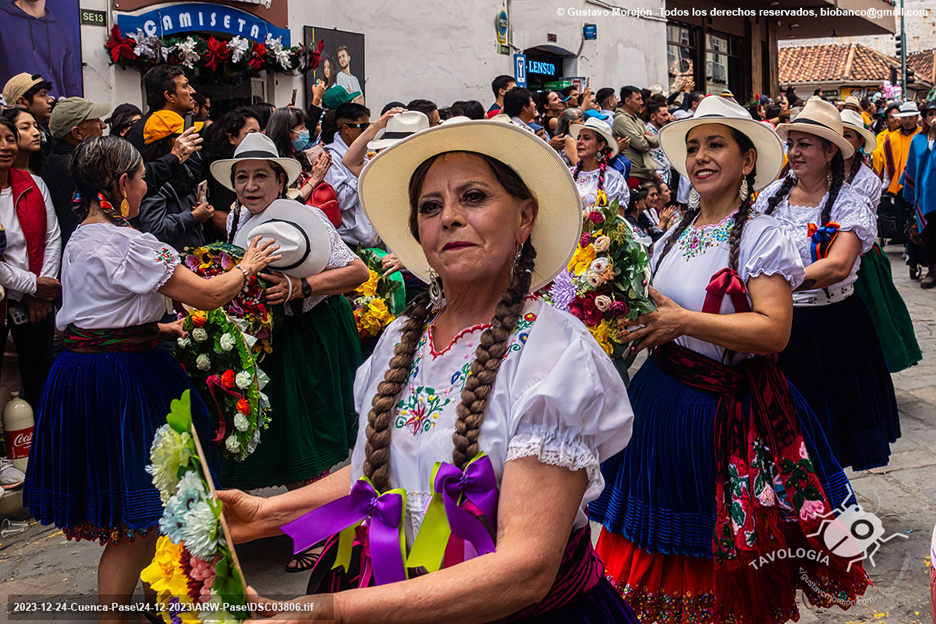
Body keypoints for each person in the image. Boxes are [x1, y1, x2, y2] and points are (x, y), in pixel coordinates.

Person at [217, 118, 640, 622]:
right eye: (431, 207)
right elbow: (384, 473)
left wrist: (332, 611)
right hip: (400, 600)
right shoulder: (399, 339)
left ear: (525, 216)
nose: (450, 218)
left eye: (475, 197)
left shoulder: (554, 355)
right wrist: (266, 515)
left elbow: (527, 567)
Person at [591, 95, 870, 624]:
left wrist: (683, 323)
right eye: (693, 146)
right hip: (662, 407)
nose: (700, 156)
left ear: (747, 162)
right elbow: (663, 310)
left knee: (714, 554)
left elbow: (773, 332)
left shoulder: (765, 236)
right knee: (653, 545)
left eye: (715, 144)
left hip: (724, 415)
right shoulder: (673, 233)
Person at [23, 135, 281, 622]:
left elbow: (98, 309)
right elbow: (207, 294)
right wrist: (247, 267)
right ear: (122, 183)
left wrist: (160, 327)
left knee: (146, 507)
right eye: (142, 178)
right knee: (141, 514)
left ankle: (159, 602)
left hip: (84, 371)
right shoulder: (130, 243)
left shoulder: (82, 236)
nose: (144, 186)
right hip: (125, 380)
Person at [213, 133, 367, 571]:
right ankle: (298, 519)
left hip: (311, 330)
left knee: (310, 430)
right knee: (279, 425)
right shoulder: (236, 220)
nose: (250, 185)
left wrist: (300, 287)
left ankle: (319, 531)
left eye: (260, 176)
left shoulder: (307, 217)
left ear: (280, 181)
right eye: (242, 177)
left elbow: (356, 270)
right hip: (269, 335)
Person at [756, 98, 900, 471]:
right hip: (777, 326)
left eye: (805, 144)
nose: (795, 153)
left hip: (831, 327)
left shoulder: (849, 203)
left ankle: (829, 513)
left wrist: (776, 284)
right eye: (792, 144)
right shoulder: (770, 198)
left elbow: (837, 266)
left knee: (826, 431)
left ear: (830, 150)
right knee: (776, 436)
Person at [839, 108, 922, 372]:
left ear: (860, 142)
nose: (842, 142)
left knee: (873, 317)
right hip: (829, 254)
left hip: (863, 259)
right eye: (837, 136)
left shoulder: (866, 180)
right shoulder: (821, 174)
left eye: (848, 136)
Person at [0, 115, 60, 408]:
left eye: (10, 139)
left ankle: (42, 448)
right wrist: (32, 285)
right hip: (11, 295)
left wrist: (40, 293)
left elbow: (52, 237)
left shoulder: (34, 184)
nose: (5, 146)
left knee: (39, 377)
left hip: (36, 302)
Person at [134, 111, 211, 252]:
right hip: (170, 264)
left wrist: (200, 211)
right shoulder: (153, 180)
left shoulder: (184, 169)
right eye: (180, 136)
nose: (188, 140)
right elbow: (154, 229)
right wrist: (192, 216)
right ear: (163, 141)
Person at [42, 97, 109, 246]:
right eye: (97, 121)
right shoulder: (75, 167)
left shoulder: (61, 159)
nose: (103, 126)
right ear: (77, 133)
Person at [199, 107, 260, 242]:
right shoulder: (223, 172)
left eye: (259, 133)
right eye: (251, 133)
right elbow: (219, 216)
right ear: (232, 138)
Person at [0, 1, 81, 99]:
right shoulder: (3, 19)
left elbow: (71, 85)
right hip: (12, 110)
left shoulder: (62, 33)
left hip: (53, 110)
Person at [324, 102, 378, 248]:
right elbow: (342, 199)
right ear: (346, 129)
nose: (367, 133)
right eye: (363, 127)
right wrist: (362, 175)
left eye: (369, 126)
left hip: (367, 237)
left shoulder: (363, 152)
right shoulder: (331, 157)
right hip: (349, 240)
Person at [266, 107, 333, 203]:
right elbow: (291, 202)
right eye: (302, 128)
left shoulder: (300, 156)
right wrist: (315, 179)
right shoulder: (276, 165)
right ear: (286, 132)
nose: (306, 131)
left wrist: (314, 171)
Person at [903, 99, 936, 287]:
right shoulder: (918, 140)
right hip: (926, 196)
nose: (934, 118)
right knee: (929, 233)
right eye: (930, 114)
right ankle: (932, 269)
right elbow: (912, 166)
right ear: (924, 119)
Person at [125, 65, 196, 152]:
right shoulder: (140, 134)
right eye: (185, 86)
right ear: (170, 96)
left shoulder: (187, 123)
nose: (192, 91)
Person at [570, 116, 626, 209]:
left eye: (586, 138)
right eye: (579, 138)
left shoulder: (613, 179)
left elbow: (617, 219)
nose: (579, 142)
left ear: (600, 145)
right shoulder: (568, 173)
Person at [613, 85, 661, 188]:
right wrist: (646, 139)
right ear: (627, 101)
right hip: (633, 174)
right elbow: (642, 145)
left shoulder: (638, 121)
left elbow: (656, 141)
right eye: (638, 99)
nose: (642, 103)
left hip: (645, 173)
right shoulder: (621, 120)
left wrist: (645, 137)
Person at [2, 73, 54, 160]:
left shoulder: (47, 132)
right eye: (42, 94)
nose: (50, 100)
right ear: (22, 102)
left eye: (35, 126)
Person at [1, 107, 42, 174]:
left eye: (36, 126)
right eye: (25, 128)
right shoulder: (5, 178)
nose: (36, 133)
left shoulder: (43, 169)